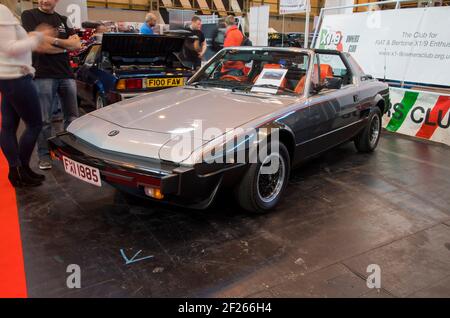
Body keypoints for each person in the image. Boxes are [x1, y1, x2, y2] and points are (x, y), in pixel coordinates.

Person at [21, 0, 81, 170]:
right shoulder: (29, 15)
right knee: (44, 120)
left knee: (72, 118)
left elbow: (76, 44)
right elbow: (37, 45)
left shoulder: (63, 18)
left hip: (66, 74)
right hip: (43, 75)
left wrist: (51, 40)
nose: (45, 0)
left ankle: (71, 153)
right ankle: (44, 156)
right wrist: (64, 45)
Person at [0, 1, 54, 187]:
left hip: (8, 76)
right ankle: (21, 169)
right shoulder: (2, 10)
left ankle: (16, 171)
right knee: (34, 124)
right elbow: (10, 48)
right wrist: (38, 37)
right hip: (16, 76)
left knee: (8, 126)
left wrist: (30, 38)